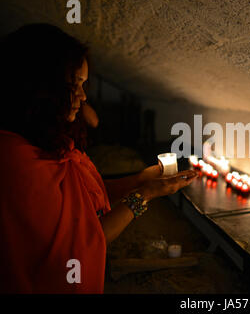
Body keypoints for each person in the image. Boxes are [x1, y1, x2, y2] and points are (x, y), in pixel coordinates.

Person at [0, 23, 198, 293]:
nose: (82, 96)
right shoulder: (17, 161)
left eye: (84, 84)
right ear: (40, 86)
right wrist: (144, 196)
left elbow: (84, 199)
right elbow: (81, 245)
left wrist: (141, 179)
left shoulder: (47, 139)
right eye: (74, 85)